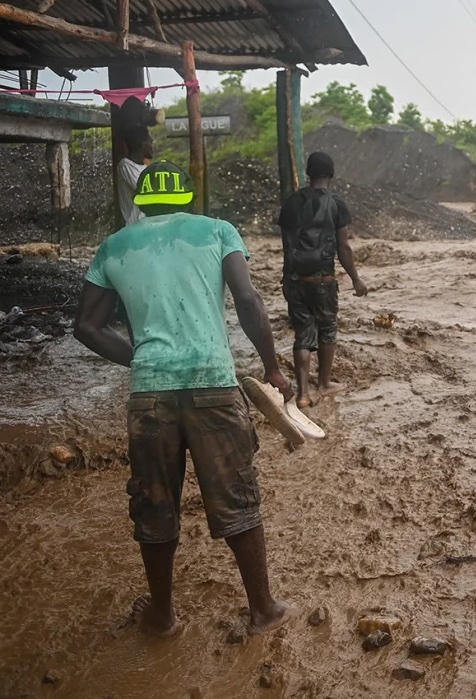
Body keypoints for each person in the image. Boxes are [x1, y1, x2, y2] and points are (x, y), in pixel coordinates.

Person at [73, 161, 293, 637]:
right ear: (187, 196)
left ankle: (161, 616)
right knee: (237, 498)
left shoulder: (113, 245)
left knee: (154, 504)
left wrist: (139, 358)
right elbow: (249, 301)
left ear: (141, 201)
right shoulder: (217, 231)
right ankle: (263, 610)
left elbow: (86, 326)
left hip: (150, 394)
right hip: (213, 383)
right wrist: (273, 366)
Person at [278, 152, 368, 408]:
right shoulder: (337, 204)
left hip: (295, 278)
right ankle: (324, 384)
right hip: (323, 279)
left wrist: (287, 280)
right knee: (327, 329)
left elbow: (287, 247)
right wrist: (356, 280)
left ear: (308, 173)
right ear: (330, 174)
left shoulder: (291, 203)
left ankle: (304, 394)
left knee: (303, 332)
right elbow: (344, 247)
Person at [116, 126, 153, 225]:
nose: (153, 146)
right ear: (142, 144)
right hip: (134, 226)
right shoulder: (125, 165)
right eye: (150, 142)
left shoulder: (145, 167)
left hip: (147, 224)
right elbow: (145, 189)